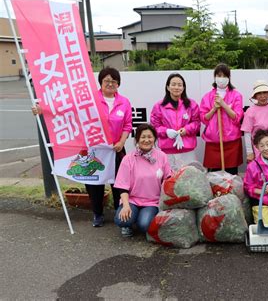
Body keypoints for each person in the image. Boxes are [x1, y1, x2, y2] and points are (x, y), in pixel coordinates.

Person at [31, 67, 132, 227]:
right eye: (107, 80)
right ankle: (97, 214)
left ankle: (120, 212)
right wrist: (43, 109)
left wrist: (121, 142)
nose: (110, 84)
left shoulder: (124, 102)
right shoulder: (89, 100)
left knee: (119, 183)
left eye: (114, 81)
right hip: (93, 150)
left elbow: (127, 125)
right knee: (94, 184)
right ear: (100, 82)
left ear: (118, 83)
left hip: (116, 149)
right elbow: (66, 108)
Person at [114, 124, 172, 237]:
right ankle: (128, 224)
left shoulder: (162, 156)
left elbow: (168, 179)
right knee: (122, 220)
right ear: (137, 139)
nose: (146, 140)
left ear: (154, 138)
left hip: (152, 202)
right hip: (132, 200)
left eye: (149, 137)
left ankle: (140, 218)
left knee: (144, 225)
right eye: (143, 137)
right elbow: (122, 187)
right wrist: (126, 206)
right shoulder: (128, 159)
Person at [150, 73, 200, 171]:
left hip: (187, 150)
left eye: (179, 85)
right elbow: (155, 126)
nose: (176, 87)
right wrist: (166, 132)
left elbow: (197, 122)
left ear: (183, 87)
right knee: (169, 179)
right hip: (167, 150)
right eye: (173, 84)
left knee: (189, 178)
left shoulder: (191, 104)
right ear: (168, 87)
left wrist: (186, 129)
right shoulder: (159, 106)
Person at [200, 63, 244, 175]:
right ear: (215, 77)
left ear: (229, 78)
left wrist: (224, 105)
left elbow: (237, 117)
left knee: (231, 172)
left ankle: (230, 192)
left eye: (224, 75)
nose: (221, 78)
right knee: (213, 173)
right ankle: (217, 192)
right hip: (213, 140)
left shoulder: (236, 95)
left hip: (232, 140)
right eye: (219, 75)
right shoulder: (207, 96)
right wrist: (214, 108)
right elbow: (204, 118)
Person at [241, 80, 268, 163]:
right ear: (255, 96)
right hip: (259, 149)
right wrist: (249, 152)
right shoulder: (250, 111)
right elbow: (247, 133)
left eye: (265, 92)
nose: (262, 96)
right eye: (259, 93)